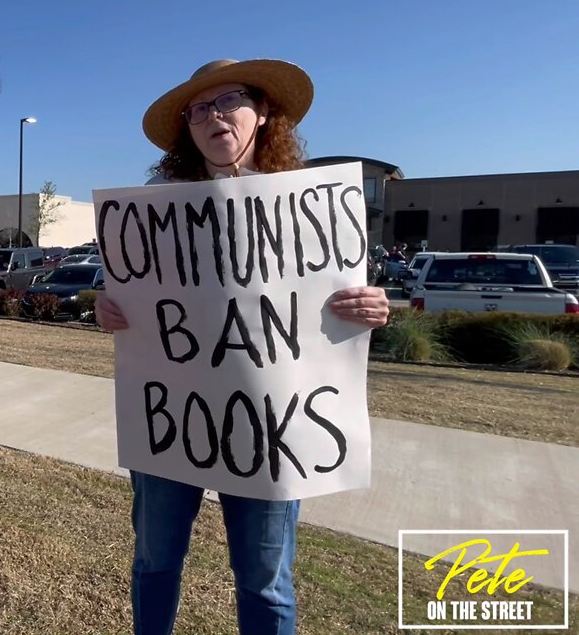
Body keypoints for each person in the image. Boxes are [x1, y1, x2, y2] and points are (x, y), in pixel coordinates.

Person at [97, 59, 390, 635]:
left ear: (262, 114)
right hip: (174, 417)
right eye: (199, 108)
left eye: (228, 100)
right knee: (155, 563)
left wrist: (373, 308)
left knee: (265, 580)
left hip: (271, 426)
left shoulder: (310, 207)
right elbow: (130, 294)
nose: (214, 116)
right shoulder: (158, 203)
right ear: (188, 127)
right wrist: (109, 306)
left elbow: (335, 298)